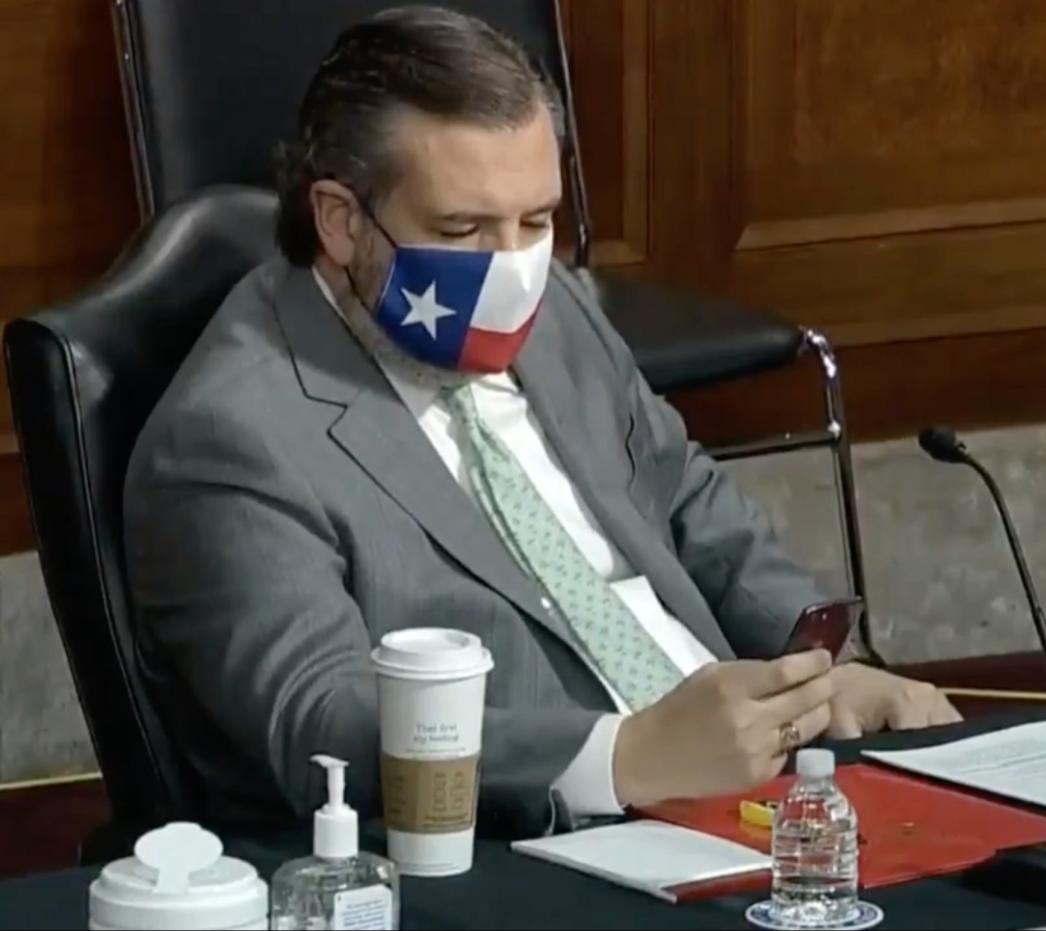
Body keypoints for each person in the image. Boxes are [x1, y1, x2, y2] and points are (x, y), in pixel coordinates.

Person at [124, 5, 959, 836]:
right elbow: (326, 726)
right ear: (341, 220)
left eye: (536, 221)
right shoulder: (231, 437)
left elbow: (691, 504)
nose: (515, 270)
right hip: (541, 839)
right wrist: (622, 755)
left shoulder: (555, 307)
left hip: (749, 790)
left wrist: (824, 676)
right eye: (463, 229)